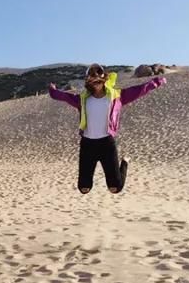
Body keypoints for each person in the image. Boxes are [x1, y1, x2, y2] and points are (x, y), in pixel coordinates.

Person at [48, 63, 166, 194]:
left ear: (104, 78)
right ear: (88, 81)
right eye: (92, 75)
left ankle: (125, 162)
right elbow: (64, 96)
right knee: (84, 188)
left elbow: (139, 90)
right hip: (87, 145)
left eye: (98, 73)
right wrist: (53, 91)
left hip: (106, 144)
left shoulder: (116, 96)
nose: (96, 77)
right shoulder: (82, 99)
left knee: (115, 188)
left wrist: (156, 82)